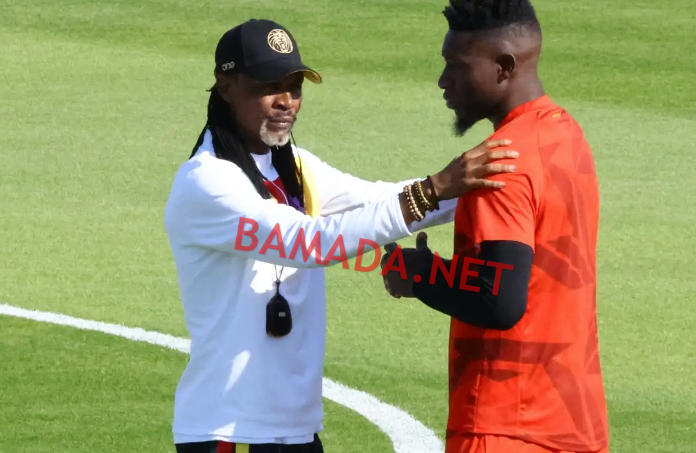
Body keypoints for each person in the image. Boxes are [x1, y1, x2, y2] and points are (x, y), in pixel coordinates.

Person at [164, 19, 518, 453]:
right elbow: (310, 243)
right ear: (226, 86)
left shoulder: (294, 165)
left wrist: (496, 187)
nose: (286, 101)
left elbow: (376, 199)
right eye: (269, 87)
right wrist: (433, 190)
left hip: (292, 428)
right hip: (226, 431)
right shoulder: (207, 182)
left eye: (295, 87)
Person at [381, 1, 609, 452]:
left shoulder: (498, 163)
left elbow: (499, 301)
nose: (443, 80)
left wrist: (419, 274)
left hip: (504, 425)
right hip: (575, 422)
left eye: (457, 65)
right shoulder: (567, 136)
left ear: (504, 67)